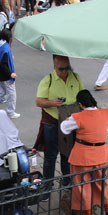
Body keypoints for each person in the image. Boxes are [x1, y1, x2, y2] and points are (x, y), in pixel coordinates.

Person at [60, 90, 108, 215]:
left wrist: (68, 119)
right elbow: (106, 129)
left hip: (82, 156)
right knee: (102, 184)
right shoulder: (106, 113)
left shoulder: (78, 117)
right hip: (101, 155)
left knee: (83, 186)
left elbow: (64, 128)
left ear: (80, 104)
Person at [35, 55, 85, 186]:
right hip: (52, 122)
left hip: (70, 122)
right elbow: (38, 101)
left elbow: (83, 95)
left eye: (67, 68)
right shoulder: (48, 80)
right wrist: (52, 102)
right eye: (61, 69)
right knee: (50, 156)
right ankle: (47, 186)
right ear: (55, 67)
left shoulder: (75, 77)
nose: (64, 71)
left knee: (68, 155)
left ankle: (67, 183)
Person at [0, 29, 19, 119]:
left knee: (2, 92)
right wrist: (11, 74)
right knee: (12, 94)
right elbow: (4, 64)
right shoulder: (5, 47)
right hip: (6, 76)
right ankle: (10, 112)